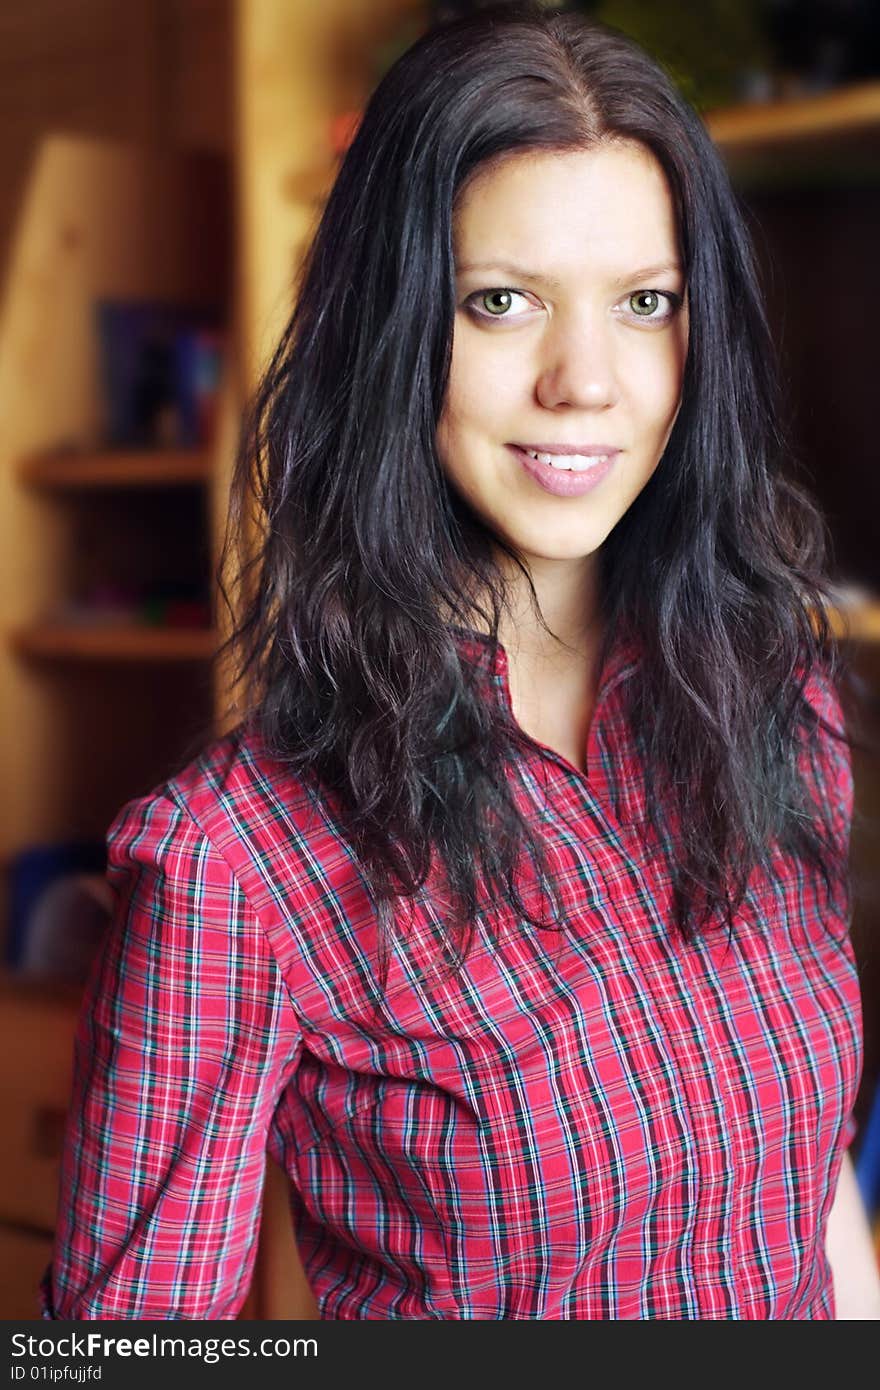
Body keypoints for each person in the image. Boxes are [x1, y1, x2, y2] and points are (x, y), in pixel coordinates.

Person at [41, 2, 880, 1320]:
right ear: (389, 334)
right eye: (501, 302)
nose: (585, 380)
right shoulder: (236, 864)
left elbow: (803, 1173)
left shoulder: (779, 702)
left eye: (646, 302)